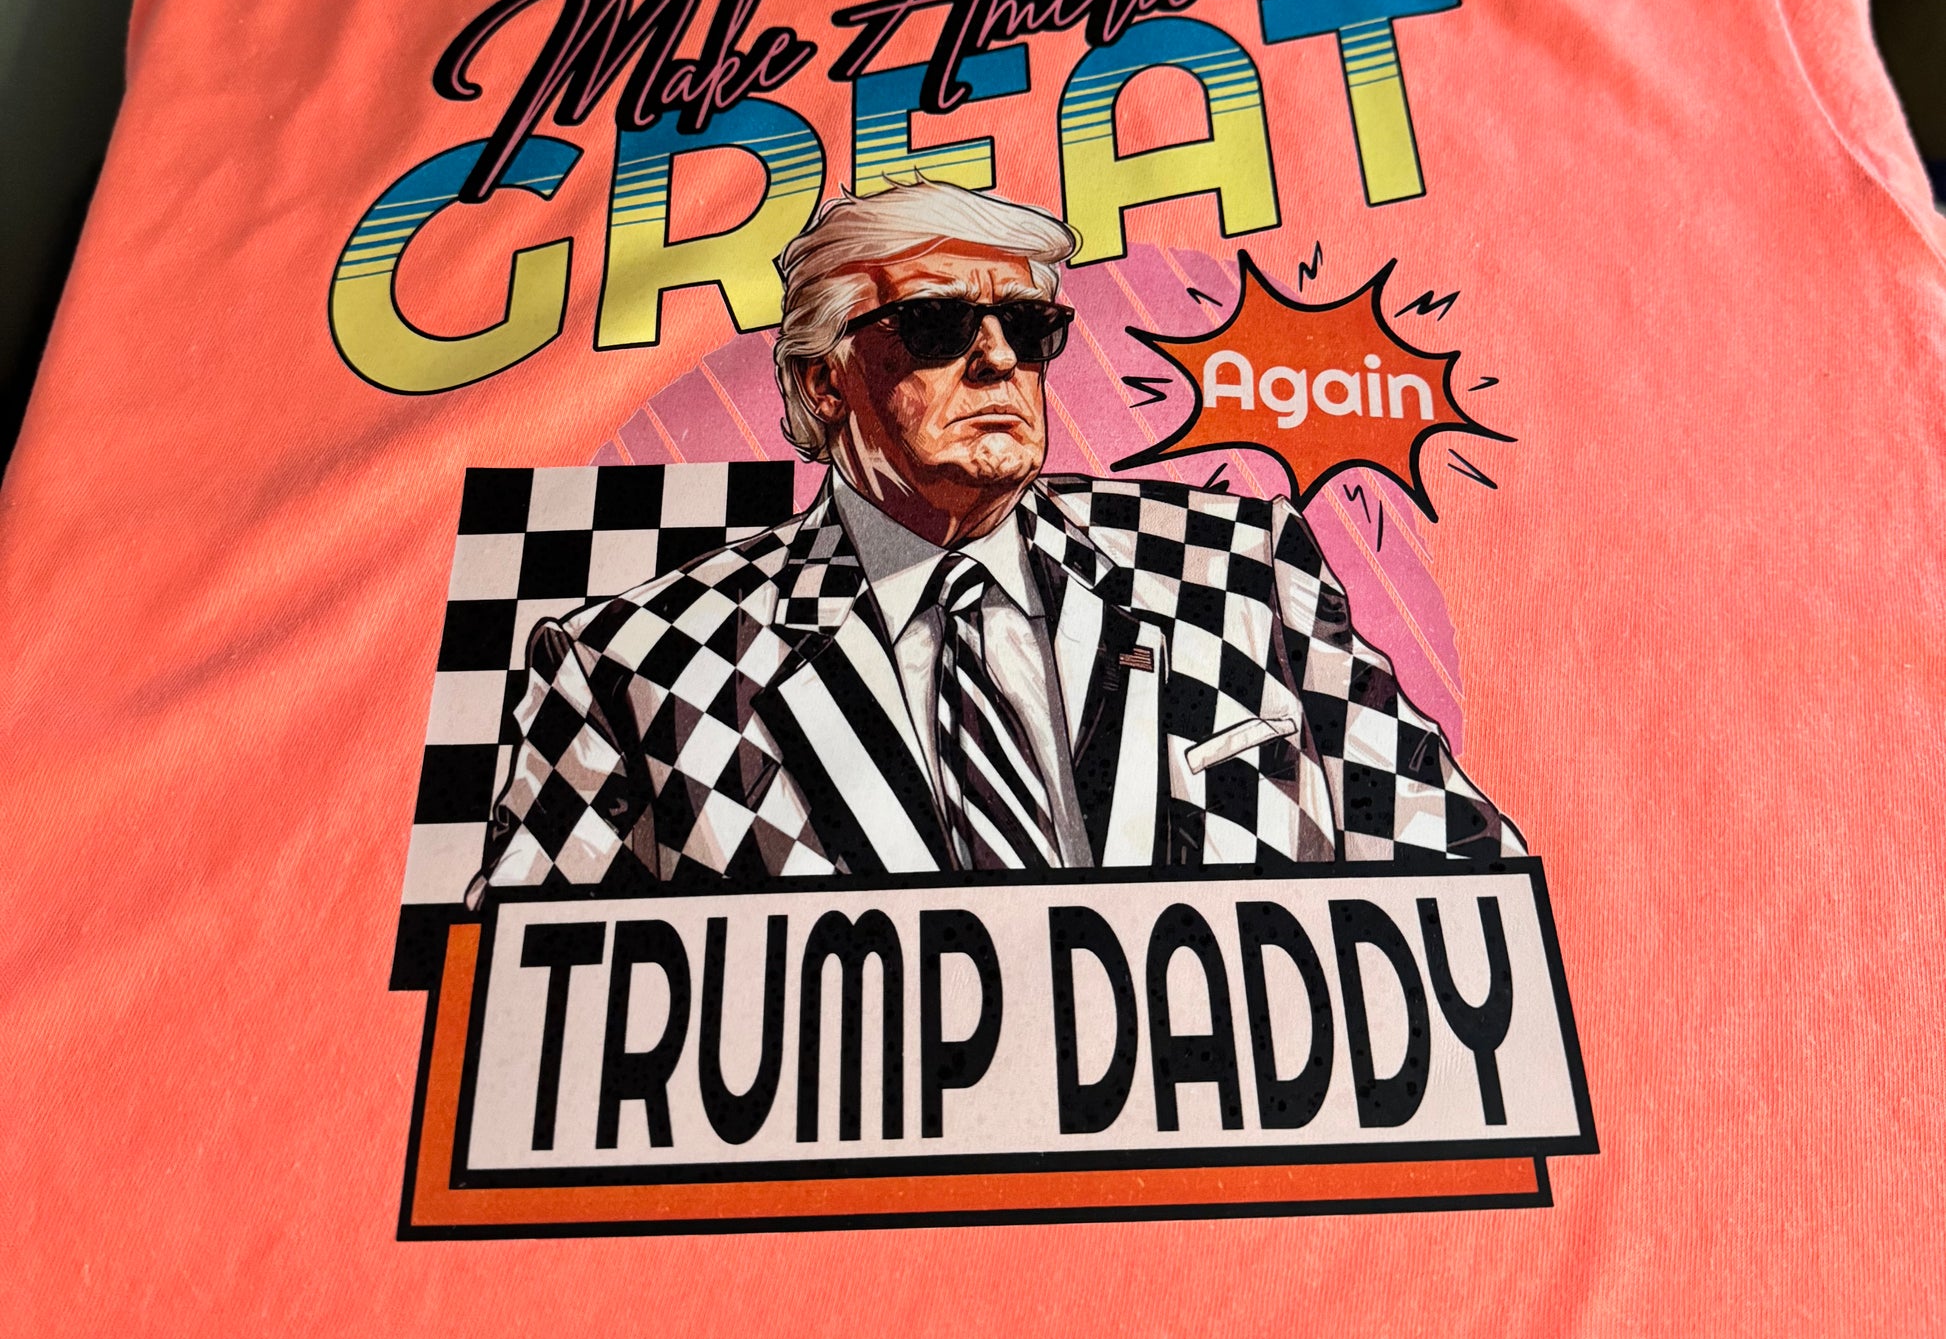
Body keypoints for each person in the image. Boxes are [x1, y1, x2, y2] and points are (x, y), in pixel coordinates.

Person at [473, 179, 1518, 895]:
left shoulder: (1240, 567)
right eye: (934, 326)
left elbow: (1468, 883)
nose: (997, 359)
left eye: (1027, 327)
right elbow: (526, 1031)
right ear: (822, 381)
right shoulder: (631, 665)